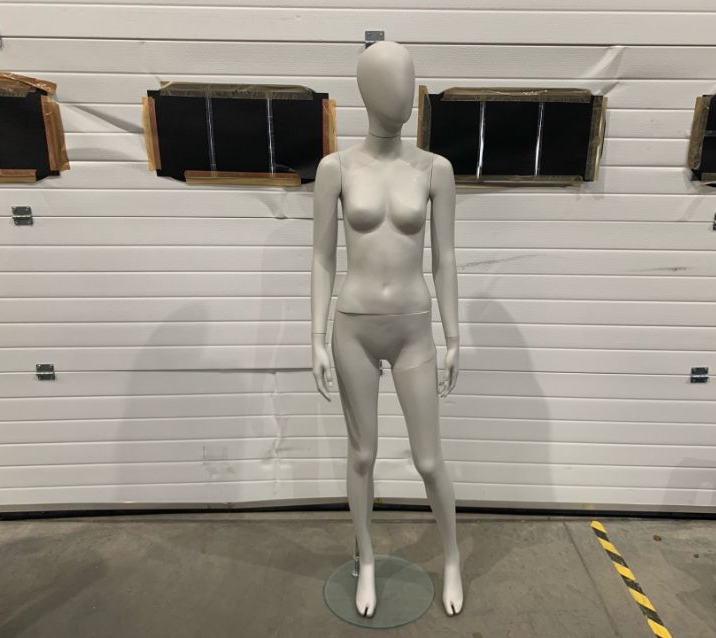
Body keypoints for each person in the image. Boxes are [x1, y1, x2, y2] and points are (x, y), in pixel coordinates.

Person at [310, 40, 463, 617]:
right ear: (367, 90)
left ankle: (452, 558)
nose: (403, 93)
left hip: (413, 328)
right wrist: (314, 337)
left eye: (408, 79)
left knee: (428, 460)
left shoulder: (434, 169)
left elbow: (446, 258)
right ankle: (367, 559)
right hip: (353, 327)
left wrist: (454, 336)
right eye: (391, 80)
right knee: (362, 455)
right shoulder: (336, 168)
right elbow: (321, 257)